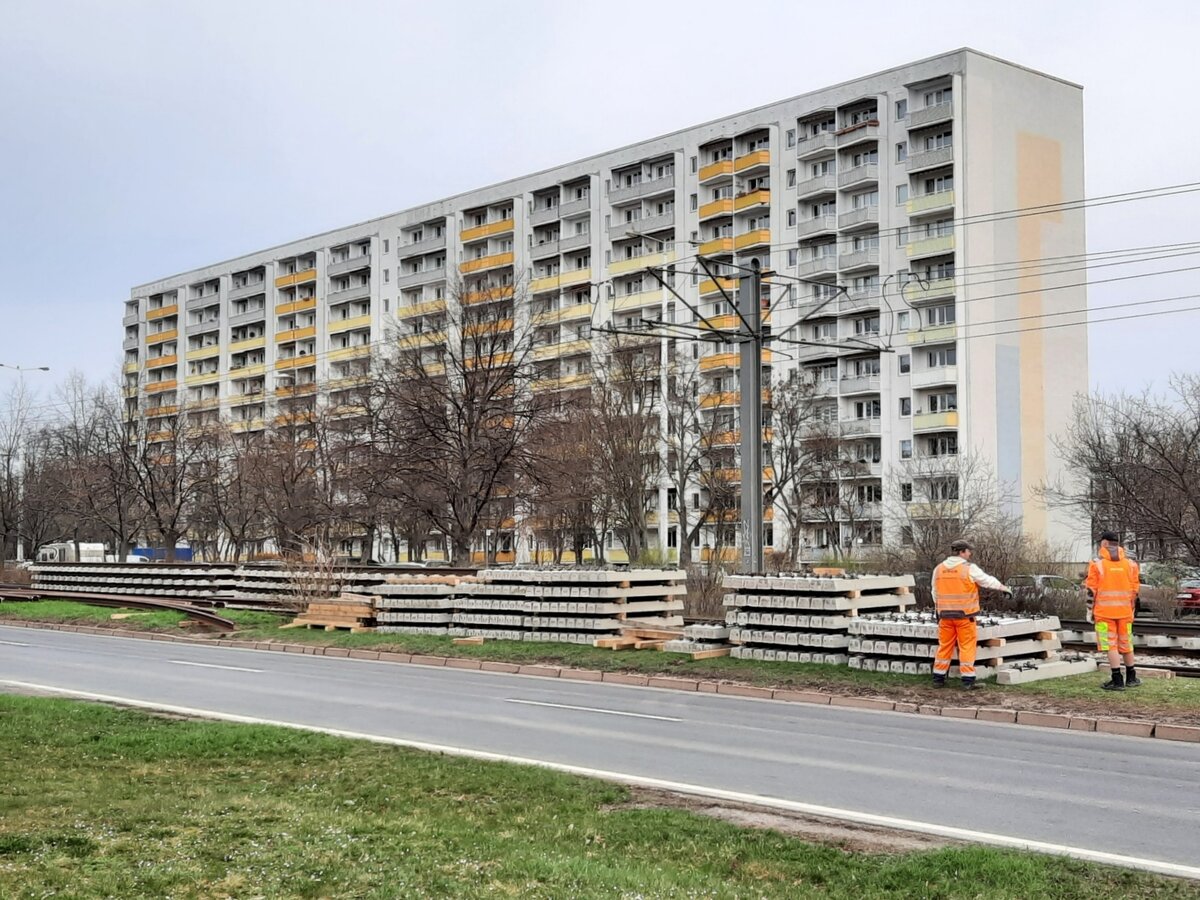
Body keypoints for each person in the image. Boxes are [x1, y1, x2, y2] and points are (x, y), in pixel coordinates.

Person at [932, 540, 1010, 689]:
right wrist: (1004, 588)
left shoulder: (939, 569)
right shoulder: (968, 568)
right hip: (965, 617)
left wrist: (939, 610)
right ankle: (968, 681)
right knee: (967, 647)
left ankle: (938, 678)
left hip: (944, 617)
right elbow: (987, 581)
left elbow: (934, 592)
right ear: (962, 552)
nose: (970, 554)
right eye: (968, 551)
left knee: (944, 646)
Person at [1084, 531, 1141, 691]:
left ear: (1104, 544)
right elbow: (1134, 591)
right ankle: (1131, 677)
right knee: (1126, 643)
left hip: (1103, 614)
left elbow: (1091, 591)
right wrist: (1131, 610)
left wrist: (1089, 610)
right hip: (1125, 613)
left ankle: (1117, 680)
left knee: (1111, 646)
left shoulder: (1097, 564)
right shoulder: (1131, 565)